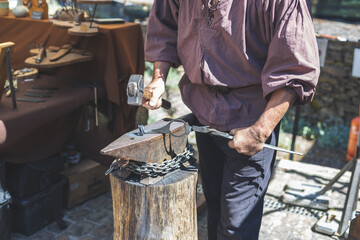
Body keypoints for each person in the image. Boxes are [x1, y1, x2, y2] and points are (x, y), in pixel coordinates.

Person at [143, 0, 320, 239]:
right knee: (215, 207)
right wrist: (159, 78)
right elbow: (164, 27)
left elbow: (295, 70)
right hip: (204, 115)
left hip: (252, 122)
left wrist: (259, 131)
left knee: (237, 227)